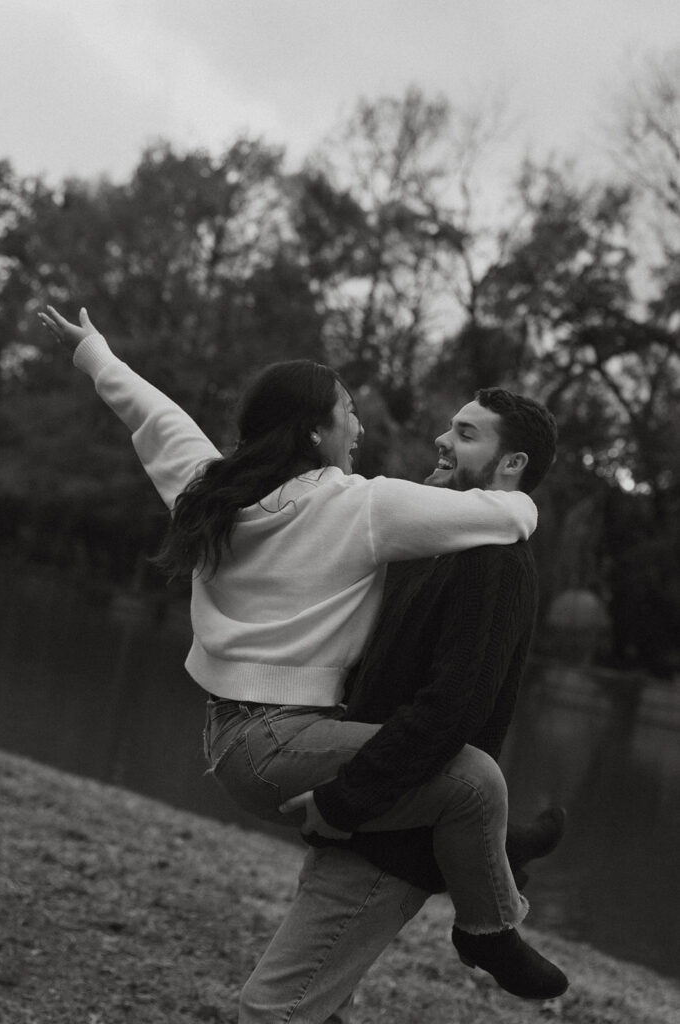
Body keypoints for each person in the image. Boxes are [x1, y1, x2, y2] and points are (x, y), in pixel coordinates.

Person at [39, 306, 565, 1000]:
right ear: (316, 431)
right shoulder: (358, 507)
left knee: (468, 796)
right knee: (474, 783)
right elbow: (500, 515)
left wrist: (97, 356)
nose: (361, 426)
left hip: (235, 735)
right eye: (348, 411)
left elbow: (156, 422)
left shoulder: (212, 489)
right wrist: (521, 503)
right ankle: (489, 922)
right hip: (282, 738)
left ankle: (491, 855)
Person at [238, 388, 566, 1021]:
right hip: (373, 806)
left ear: (511, 464)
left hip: (388, 825)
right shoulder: (431, 543)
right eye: (451, 428)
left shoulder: (493, 562)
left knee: (275, 1008)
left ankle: (488, 882)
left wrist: (342, 800)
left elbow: (453, 708)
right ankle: (494, 853)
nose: (443, 440)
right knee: (319, 1006)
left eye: (467, 434)